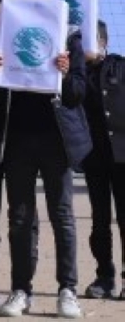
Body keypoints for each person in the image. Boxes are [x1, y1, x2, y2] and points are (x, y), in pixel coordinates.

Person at [0, 0, 90, 319]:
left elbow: (78, 93)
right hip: (17, 137)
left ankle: (67, 290)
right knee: (20, 217)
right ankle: (21, 290)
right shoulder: (3, 37)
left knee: (62, 214)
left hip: (56, 139)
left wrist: (64, 73)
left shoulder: (69, 38)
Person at [83, 20, 125, 299]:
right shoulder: (76, 73)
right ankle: (104, 276)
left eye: (92, 39)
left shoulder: (120, 66)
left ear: (103, 41)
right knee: (99, 219)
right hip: (93, 157)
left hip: (122, 154)